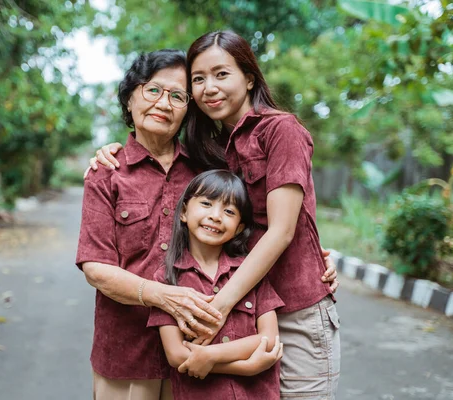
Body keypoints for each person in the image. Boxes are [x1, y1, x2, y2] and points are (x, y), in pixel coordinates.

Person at [87, 31, 341, 399]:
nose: (209, 88)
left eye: (221, 74)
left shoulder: (274, 133)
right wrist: (107, 152)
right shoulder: (216, 152)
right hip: (218, 323)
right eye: (199, 79)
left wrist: (219, 308)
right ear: (130, 99)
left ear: (249, 77)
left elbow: (282, 229)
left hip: (272, 308)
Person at [76, 49, 238, 400]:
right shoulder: (107, 173)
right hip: (126, 355)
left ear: (188, 110)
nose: (163, 103)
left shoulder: (206, 173)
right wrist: (166, 298)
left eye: (177, 96)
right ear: (131, 96)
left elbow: (251, 232)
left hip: (201, 352)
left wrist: (318, 256)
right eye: (153, 90)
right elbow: (96, 268)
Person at [148, 170, 284, 400]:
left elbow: (269, 339)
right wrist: (247, 366)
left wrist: (210, 355)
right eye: (206, 204)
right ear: (183, 212)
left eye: (229, 211)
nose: (216, 216)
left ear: (239, 227)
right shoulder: (166, 279)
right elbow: (177, 355)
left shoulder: (251, 272)